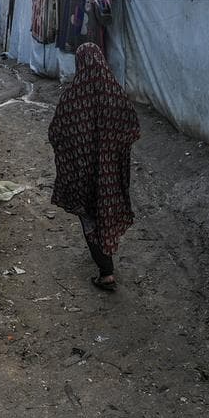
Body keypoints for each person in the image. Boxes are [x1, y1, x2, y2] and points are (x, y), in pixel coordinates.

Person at [47, 42, 140, 291]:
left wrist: (75, 151)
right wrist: (112, 151)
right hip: (109, 174)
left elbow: (56, 132)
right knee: (105, 212)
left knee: (89, 217)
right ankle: (106, 262)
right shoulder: (114, 93)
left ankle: (106, 271)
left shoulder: (72, 96)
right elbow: (132, 127)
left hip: (82, 173)